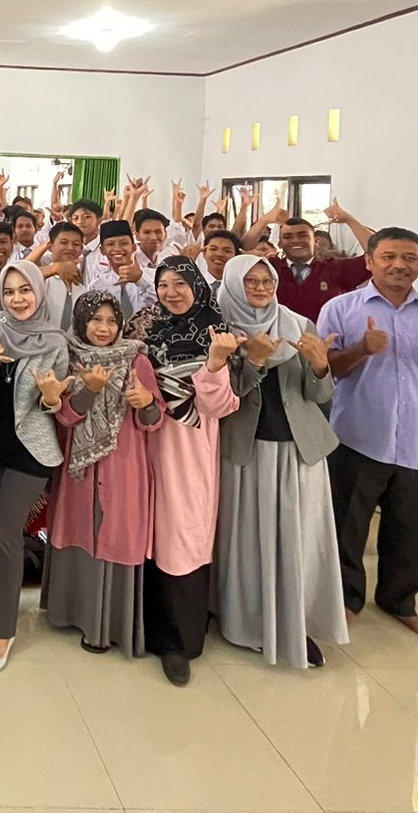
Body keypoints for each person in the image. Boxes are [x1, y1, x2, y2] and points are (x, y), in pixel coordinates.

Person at [317, 228, 418, 642]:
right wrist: (362, 349)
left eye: (409, 258)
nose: (399, 265)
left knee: (410, 530)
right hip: (358, 436)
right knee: (347, 527)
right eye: (388, 256)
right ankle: (347, 600)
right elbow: (326, 371)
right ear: (369, 261)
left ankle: (399, 602)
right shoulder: (341, 308)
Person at [214, 255, 348, 669]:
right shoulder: (220, 328)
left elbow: (319, 395)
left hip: (299, 450)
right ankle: (246, 623)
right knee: (247, 542)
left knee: (300, 540)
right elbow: (225, 396)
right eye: (250, 281)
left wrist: (321, 366)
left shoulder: (299, 325)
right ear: (234, 284)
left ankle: (296, 622)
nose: (260, 288)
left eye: (266, 281)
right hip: (247, 449)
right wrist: (252, 360)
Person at [125, 257, 241, 685]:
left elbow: (219, 406)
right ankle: (139, 625)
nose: (171, 293)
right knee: (144, 534)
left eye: (180, 284)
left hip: (186, 449)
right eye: (163, 284)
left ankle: (178, 642)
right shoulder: (145, 329)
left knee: (181, 537)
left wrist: (214, 364)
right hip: (140, 444)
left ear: (197, 286)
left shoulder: (215, 333)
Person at [41, 291, 163, 656]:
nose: (104, 328)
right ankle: (70, 613)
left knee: (115, 534)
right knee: (80, 529)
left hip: (124, 466)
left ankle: (107, 626)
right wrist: (89, 392)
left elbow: (153, 421)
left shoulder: (136, 360)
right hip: (79, 468)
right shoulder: (69, 357)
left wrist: (146, 404)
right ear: (82, 322)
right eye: (96, 320)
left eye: (111, 321)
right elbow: (64, 417)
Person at [0, 260, 70, 674]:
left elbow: (54, 404)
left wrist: (51, 397)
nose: (17, 299)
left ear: (39, 293)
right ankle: (2, 606)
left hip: (31, 450)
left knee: (6, 532)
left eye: (25, 290)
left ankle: (2, 630)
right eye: (9, 291)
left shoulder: (54, 341)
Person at [248, 202, 378, 320]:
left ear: (315, 241)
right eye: (288, 237)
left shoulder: (336, 268)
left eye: (302, 235)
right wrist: (265, 220)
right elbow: (240, 249)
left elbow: (377, 253)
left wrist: (349, 219)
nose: (295, 241)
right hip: (276, 338)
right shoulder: (268, 268)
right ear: (280, 243)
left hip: (324, 337)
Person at [84, 219, 154, 317]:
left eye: (124, 243)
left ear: (134, 247)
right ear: (102, 250)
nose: (117, 249)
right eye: (110, 244)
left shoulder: (154, 276)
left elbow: (163, 303)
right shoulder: (96, 287)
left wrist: (141, 280)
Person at [200, 230, 242, 296]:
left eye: (227, 251)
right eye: (213, 249)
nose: (219, 254)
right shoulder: (194, 284)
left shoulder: (240, 289)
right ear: (204, 253)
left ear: (236, 256)